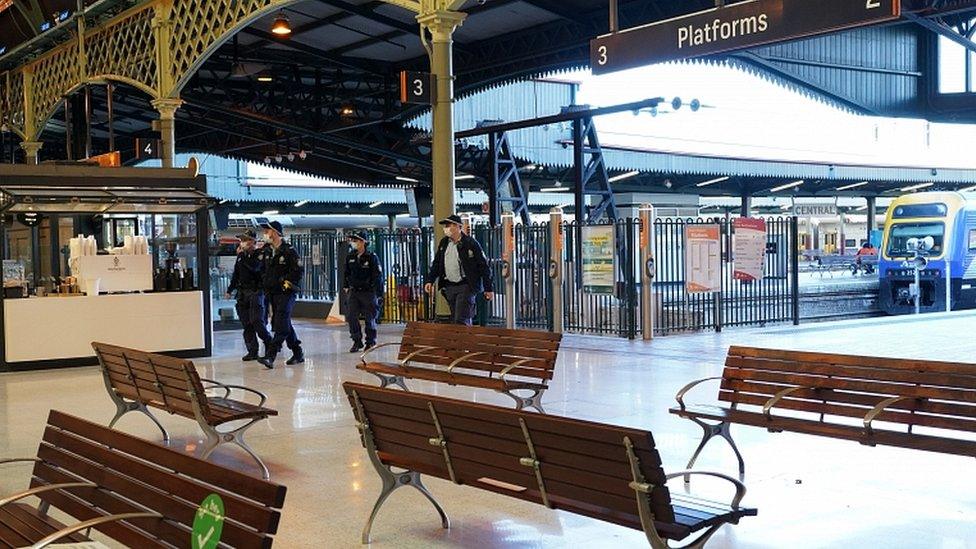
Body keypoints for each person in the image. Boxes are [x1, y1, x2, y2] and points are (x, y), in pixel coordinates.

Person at [423, 214, 493, 325]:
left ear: (458, 227)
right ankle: (462, 340)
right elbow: (437, 263)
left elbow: (483, 266)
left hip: (466, 285)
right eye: (445, 226)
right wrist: (430, 280)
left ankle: (463, 341)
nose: (446, 228)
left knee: (461, 320)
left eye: (448, 225)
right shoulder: (444, 243)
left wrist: (488, 288)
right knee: (455, 318)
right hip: (450, 286)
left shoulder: (470, 244)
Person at [257, 221, 304, 369]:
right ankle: (297, 352)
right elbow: (262, 270)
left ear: (275, 232)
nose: (265, 233)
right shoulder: (266, 251)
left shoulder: (289, 251)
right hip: (272, 292)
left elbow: (298, 271)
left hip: (286, 292)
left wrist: (286, 281)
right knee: (283, 322)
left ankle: (271, 355)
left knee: (280, 323)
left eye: (268, 231)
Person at [225, 230, 272, 361]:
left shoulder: (259, 255)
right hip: (243, 293)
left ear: (252, 242)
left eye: (245, 240)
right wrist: (230, 290)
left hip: (256, 292)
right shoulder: (241, 256)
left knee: (257, 321)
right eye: (242, 240)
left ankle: (269, 343)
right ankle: (252, 350)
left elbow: (254, 268)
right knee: (247, 324)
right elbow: (236, 274)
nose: (242, 243)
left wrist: (242, 255)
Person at [342, 231, 383, 353]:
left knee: (369, 318)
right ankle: (357, 341)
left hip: (368, 292)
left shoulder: (371, 257)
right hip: (354, 291)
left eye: (356, 241)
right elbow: (346, 273)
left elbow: (378, 276)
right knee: (351, 316)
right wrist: (346, 286)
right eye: (353, 241)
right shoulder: (350, 257)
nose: (354, 243)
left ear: (363, 242)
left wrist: (379, 294)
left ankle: (370, 341)